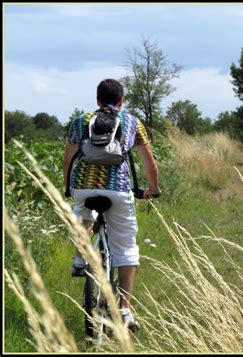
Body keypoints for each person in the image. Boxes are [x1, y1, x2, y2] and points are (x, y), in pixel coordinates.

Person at [62, 78, 160, 331]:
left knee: (83, 212)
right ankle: (125, 310)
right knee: (126, 246)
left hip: (84, 185)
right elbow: (150, 164)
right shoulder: (132, 122)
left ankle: (79, 258)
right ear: (121, 100)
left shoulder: (79, 122)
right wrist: (153, 189)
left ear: (97, 100)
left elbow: (67, 160)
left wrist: (68, 187)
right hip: (118, 188)